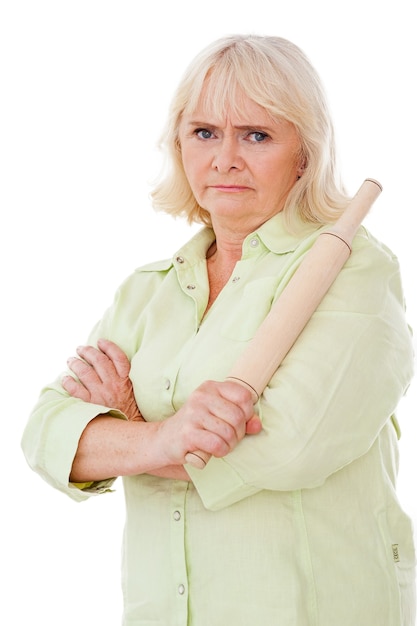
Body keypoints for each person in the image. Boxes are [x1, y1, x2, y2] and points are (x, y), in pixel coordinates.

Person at [21, 34, 415, 625]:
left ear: (304, 154)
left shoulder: (355, 270)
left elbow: (288, 448)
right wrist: (162, 439)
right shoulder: (148, 289)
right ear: (179, 145)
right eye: (205, 132)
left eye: (256, 135)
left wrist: (123, 434)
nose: (224, 158)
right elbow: (47, 434)